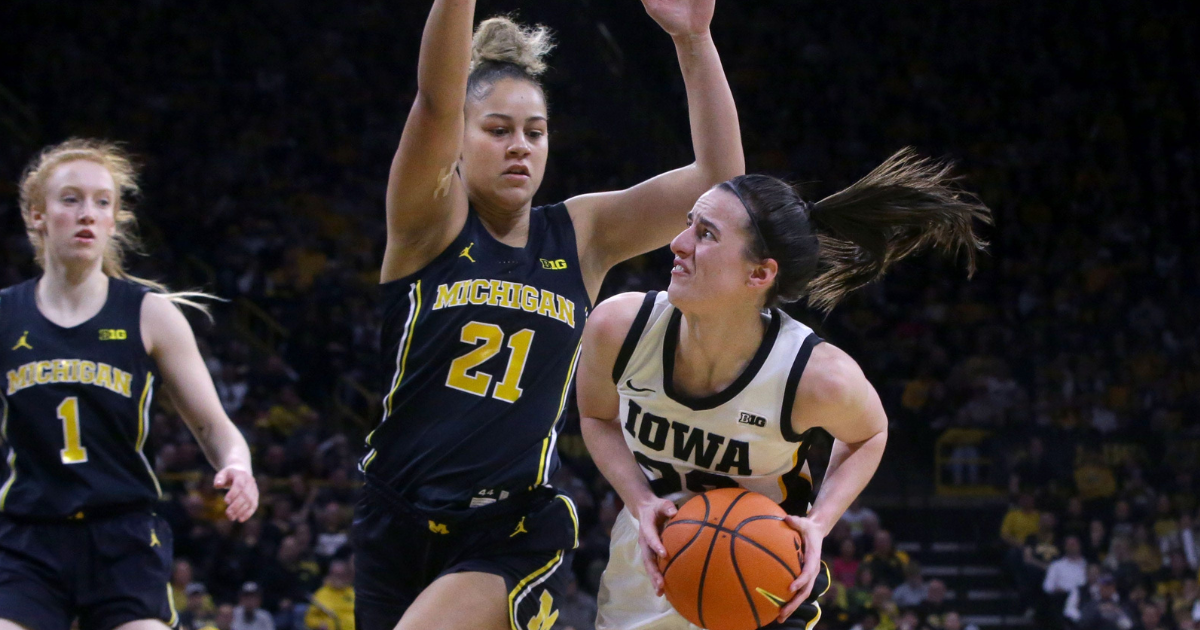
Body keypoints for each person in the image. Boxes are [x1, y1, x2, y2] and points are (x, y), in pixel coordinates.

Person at [354, 0, 745, 628]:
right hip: (393, 515)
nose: (520, 147)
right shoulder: (428, 224)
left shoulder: (581, 234)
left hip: (509, 529)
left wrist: (694, 40)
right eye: (497, 130)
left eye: (534, 133)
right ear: (458, 139)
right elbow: (435, 100)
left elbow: (720, 182)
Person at [578, 155, 990, 628]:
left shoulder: (815, 375)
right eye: (688, 223)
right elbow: (597, 417)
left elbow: (869, 434)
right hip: (649, 559)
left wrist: (819, 523)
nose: (678, 242)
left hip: (760, 570)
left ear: (759, 274)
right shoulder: (619, 328)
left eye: (706, 234)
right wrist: (641, 500)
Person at [0, 139, 258, 630]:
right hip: (26, 538)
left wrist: (238, 465)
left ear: (114, 220)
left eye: (102, 202)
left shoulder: (150, 314)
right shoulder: (5, 314)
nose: (87, 214)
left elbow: (214, 427)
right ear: (37, 215)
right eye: (70, 199)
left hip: (123, 538)